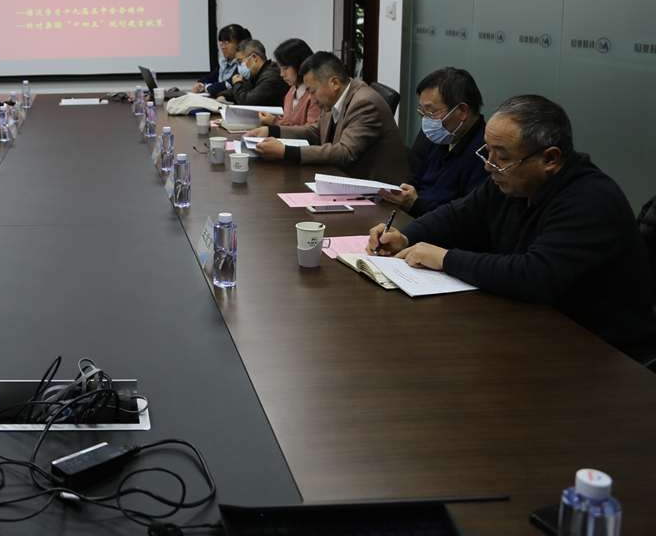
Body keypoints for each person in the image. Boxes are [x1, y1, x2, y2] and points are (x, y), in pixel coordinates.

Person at [367, 95, 656, 359]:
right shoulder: (511, 182)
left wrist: (445, 259)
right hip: (535, 329)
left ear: (550, 159)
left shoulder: (590, 200)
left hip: (602, 353)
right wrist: (405, 236)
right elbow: (457, 215)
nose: (489, 166)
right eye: (487, 151)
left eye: (502, 156)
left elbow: (534, 275)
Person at [246, 51, 410, 183]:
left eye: (312, 91)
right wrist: (271, 131)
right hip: (342, 177)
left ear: (334, 83)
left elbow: (345, 152)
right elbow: (315, 131)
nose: (311, 98)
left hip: (379, 195)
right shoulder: (335, 98)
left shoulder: (364, 103)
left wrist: (286, 151)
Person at [378, 67, 487, 216]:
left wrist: (416, 204)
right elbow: (414, 177)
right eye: (422, 112)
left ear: (462, 111)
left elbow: (467, 217)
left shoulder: (485, 153)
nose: (426, 120)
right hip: (412, 217)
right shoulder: (438, 135)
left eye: (431, 112)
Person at [258, 38, 320, 128]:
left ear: (300, 65)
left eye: (285, 68)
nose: (282, 74)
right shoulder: (291, 92)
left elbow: (311, 131)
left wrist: (275, 122)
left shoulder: (315, 95)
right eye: (280, 69)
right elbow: (288, 123)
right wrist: (274, 120)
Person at [222, 39, 288, 107]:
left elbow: (247, 102)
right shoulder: (256, 74)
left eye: (240, 61)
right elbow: (244, 89)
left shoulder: (271, 76)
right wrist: (224, 95)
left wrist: (237, 83)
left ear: (254, 57)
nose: (239, 66)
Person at [191, 24, 250, 97]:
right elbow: (211, 77)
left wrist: (206, 87)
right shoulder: (224, 62)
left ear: (239, 44)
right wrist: (200, 83)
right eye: (221, 43)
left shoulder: (243, 64)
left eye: (226, 43)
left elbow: (227, 84)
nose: (223, 47)